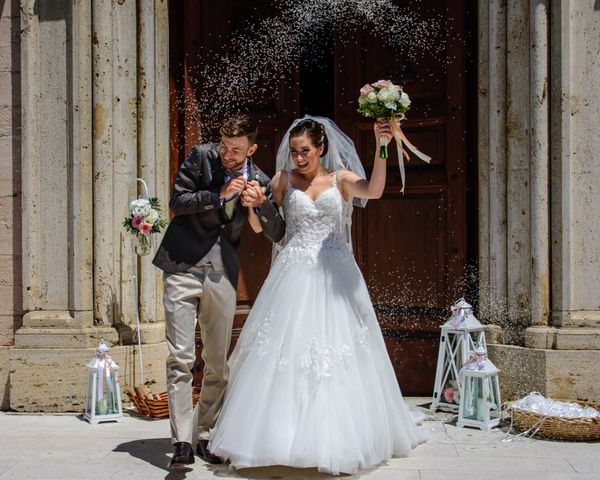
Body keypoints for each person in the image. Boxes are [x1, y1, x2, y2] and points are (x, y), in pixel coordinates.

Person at [208, 116, 428, 475]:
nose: (298, 158)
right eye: (294, 152)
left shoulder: (339, 179)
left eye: (305, 151)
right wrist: (255, 205)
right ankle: (279, 438)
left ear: (321, 148)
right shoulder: (282, 180)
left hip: (335, 274)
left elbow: (373, 191)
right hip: (293, 271)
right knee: (287, 352)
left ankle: (339, 439)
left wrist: (382, 146)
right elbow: (267, 230)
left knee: (338, 352)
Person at [152, 114, 286, 468]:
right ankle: (181, 440)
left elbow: (275, 232)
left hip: (222, 274)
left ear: (251, 149)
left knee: (217, 362)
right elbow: (177, 202)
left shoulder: (259, 179)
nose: (227, 153)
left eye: (236, 149)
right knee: (180, 358)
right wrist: (219, 194)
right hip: (181, 267)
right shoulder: (200, 156)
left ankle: (204, 431)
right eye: (224, 146)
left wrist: (261, 204)